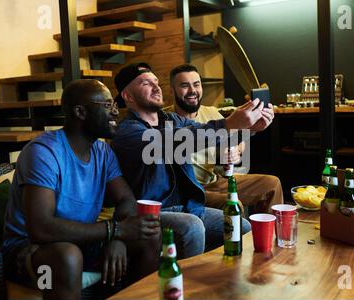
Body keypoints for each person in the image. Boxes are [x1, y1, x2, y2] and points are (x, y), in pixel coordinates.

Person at [2, 79, 161, 300]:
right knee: (67, 256)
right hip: (30, 253)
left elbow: (126, 199)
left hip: (82, 241)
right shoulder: (44, 152)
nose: (116, 112)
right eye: (107, 106)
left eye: (114, 106)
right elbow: (41, 228)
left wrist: (118, 239)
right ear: (80, 112)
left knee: (149, 236)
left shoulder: (102, 152)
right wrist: (114, 230)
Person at [111, 62, 273, 259]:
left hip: (188, 206)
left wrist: (251, 128)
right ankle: (186, 286)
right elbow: (175, 141)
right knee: (192, 227)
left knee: (241, 225)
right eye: (146, 83)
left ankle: (229, 281)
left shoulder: (173, 120)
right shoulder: (127, 132)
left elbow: (211, 134)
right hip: (151, 213)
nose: (156, 87)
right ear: (128, 96)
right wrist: (230, 123)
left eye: (156, 82)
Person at [167, 64, 283, 214]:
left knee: (271, 184)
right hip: (188, 189)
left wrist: (235, 149)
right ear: (172, 90)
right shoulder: (164, 119)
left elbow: (236, 140)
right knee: (232, 204)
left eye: (196, 84)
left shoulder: (212, 113)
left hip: (215, 181)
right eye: (184, 85)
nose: (192, 91)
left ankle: (269, 235)